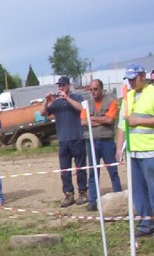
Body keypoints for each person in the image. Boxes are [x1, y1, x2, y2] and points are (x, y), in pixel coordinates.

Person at [116, 64, 154, 240]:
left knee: (152, 189)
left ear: (142, 76)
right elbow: (122, 126)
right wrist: (119, 148)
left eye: (133, 78)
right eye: (128, 79)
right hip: (133, 152)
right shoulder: (127, 97)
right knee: (138, 191)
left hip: (150, 151)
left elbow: (134, 121)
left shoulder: (152, 92)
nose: (131, 82)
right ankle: (146, 224)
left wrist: (138, 120)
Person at [43, 76, 87, 207]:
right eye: (59, 85)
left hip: (77, 138)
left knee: (80, 168)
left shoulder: (77, 98)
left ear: (68, 85)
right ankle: (68, 194)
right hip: (63, 140)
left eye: (62, 85)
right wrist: (46, 101)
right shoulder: (56, 103)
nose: (60, 87)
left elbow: (82, 109)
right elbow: (42, 113)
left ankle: (83, 192)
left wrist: (67, 98)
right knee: (65, 170)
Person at [81, 79, 122, 211]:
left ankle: (119, 198)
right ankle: (93, 201)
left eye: (96, 89)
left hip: (107, 142)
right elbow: (82, 122)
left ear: (101, 89)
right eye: (91, 89)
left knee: (113, 172)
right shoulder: (86, 104)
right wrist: (101, 120)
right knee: (93, 173)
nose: (93, 92)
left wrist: (91, 118)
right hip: (91, 142)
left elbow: (110, 120)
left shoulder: (111, 101)